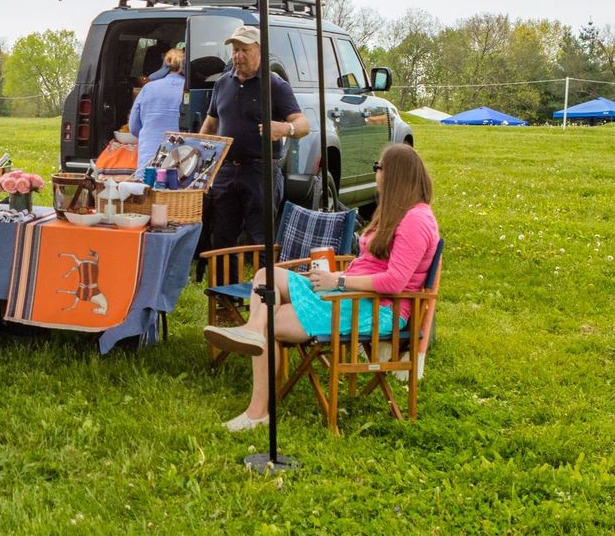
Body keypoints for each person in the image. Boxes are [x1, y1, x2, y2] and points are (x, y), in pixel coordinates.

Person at [203, 143, 440, 431]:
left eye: (378, 167)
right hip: (349, 296)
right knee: (267, 276)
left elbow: (394, 282)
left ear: (396, 174)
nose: (376, 172)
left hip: (376, 309)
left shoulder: (416, 221)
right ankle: (251, 332)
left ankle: (257, 411)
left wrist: (338, 280)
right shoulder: (400, 212)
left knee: (271, 323)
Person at [198, 27, 309, 248]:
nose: (238, 55)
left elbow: (303, 125)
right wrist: (198, 156)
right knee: (222, 238)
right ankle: (222, 284)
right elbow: (210, 124)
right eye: (235, 50)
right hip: (226, 171)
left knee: (261, 238)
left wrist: (285, 129)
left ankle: (263, 282)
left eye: (244, 50)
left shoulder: (275, 85)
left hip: (260, 172)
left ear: (260, 50)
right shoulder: (222, 83)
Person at [128, 46, 186, 167]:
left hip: (149, 162)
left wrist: (149, 135)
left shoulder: (148, 88)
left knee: (147, 184)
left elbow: (133, 127)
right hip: (182, 163)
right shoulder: (189, 90)